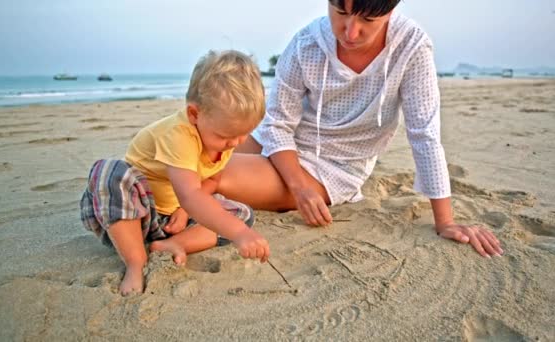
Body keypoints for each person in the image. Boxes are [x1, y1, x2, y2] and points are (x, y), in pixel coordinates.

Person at [216, 0, 503, 258]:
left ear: (390, 10)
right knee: (187, 147)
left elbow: (424, 134)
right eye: (341, 12)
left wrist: (446, 222)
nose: (350, 32)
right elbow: (277, 123)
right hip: (280, 142)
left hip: (331, 168)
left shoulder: (411, 46)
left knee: (208, 174)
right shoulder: (306, 43)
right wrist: (298, 187)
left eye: (367, 20)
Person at [80, 50, 270, 296]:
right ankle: (135, 262)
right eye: (225, 136)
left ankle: (171, 245)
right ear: (194, 114)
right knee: (110, 172)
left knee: (241, 214)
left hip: (173, 221)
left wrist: (183, 211)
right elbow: (190, 194)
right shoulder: (179, 135)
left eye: (244, 134)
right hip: (133, 215)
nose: (235, 143)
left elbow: (209, 179)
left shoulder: (221, 139)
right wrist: (240, 235)